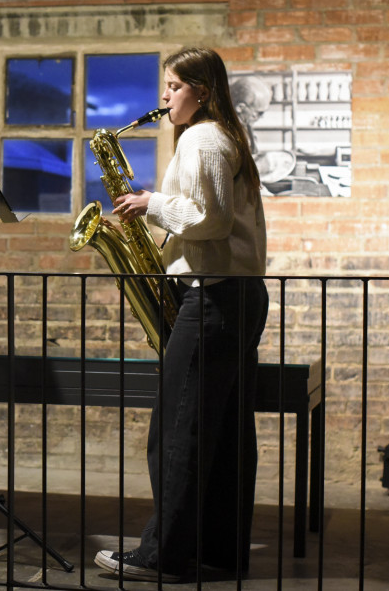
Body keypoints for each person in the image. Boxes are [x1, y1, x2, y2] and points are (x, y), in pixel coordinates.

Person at [94, 47, 269, 582]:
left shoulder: (202, 139)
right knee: (225, 435)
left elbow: (210, 221)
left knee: (177, 430)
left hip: (213, 297)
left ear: (203, 91)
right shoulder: (224, 136)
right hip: (236, 295)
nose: (164, 96)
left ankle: (163, 555)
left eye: (174, 86)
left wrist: (150, 204)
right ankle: (217, 551)